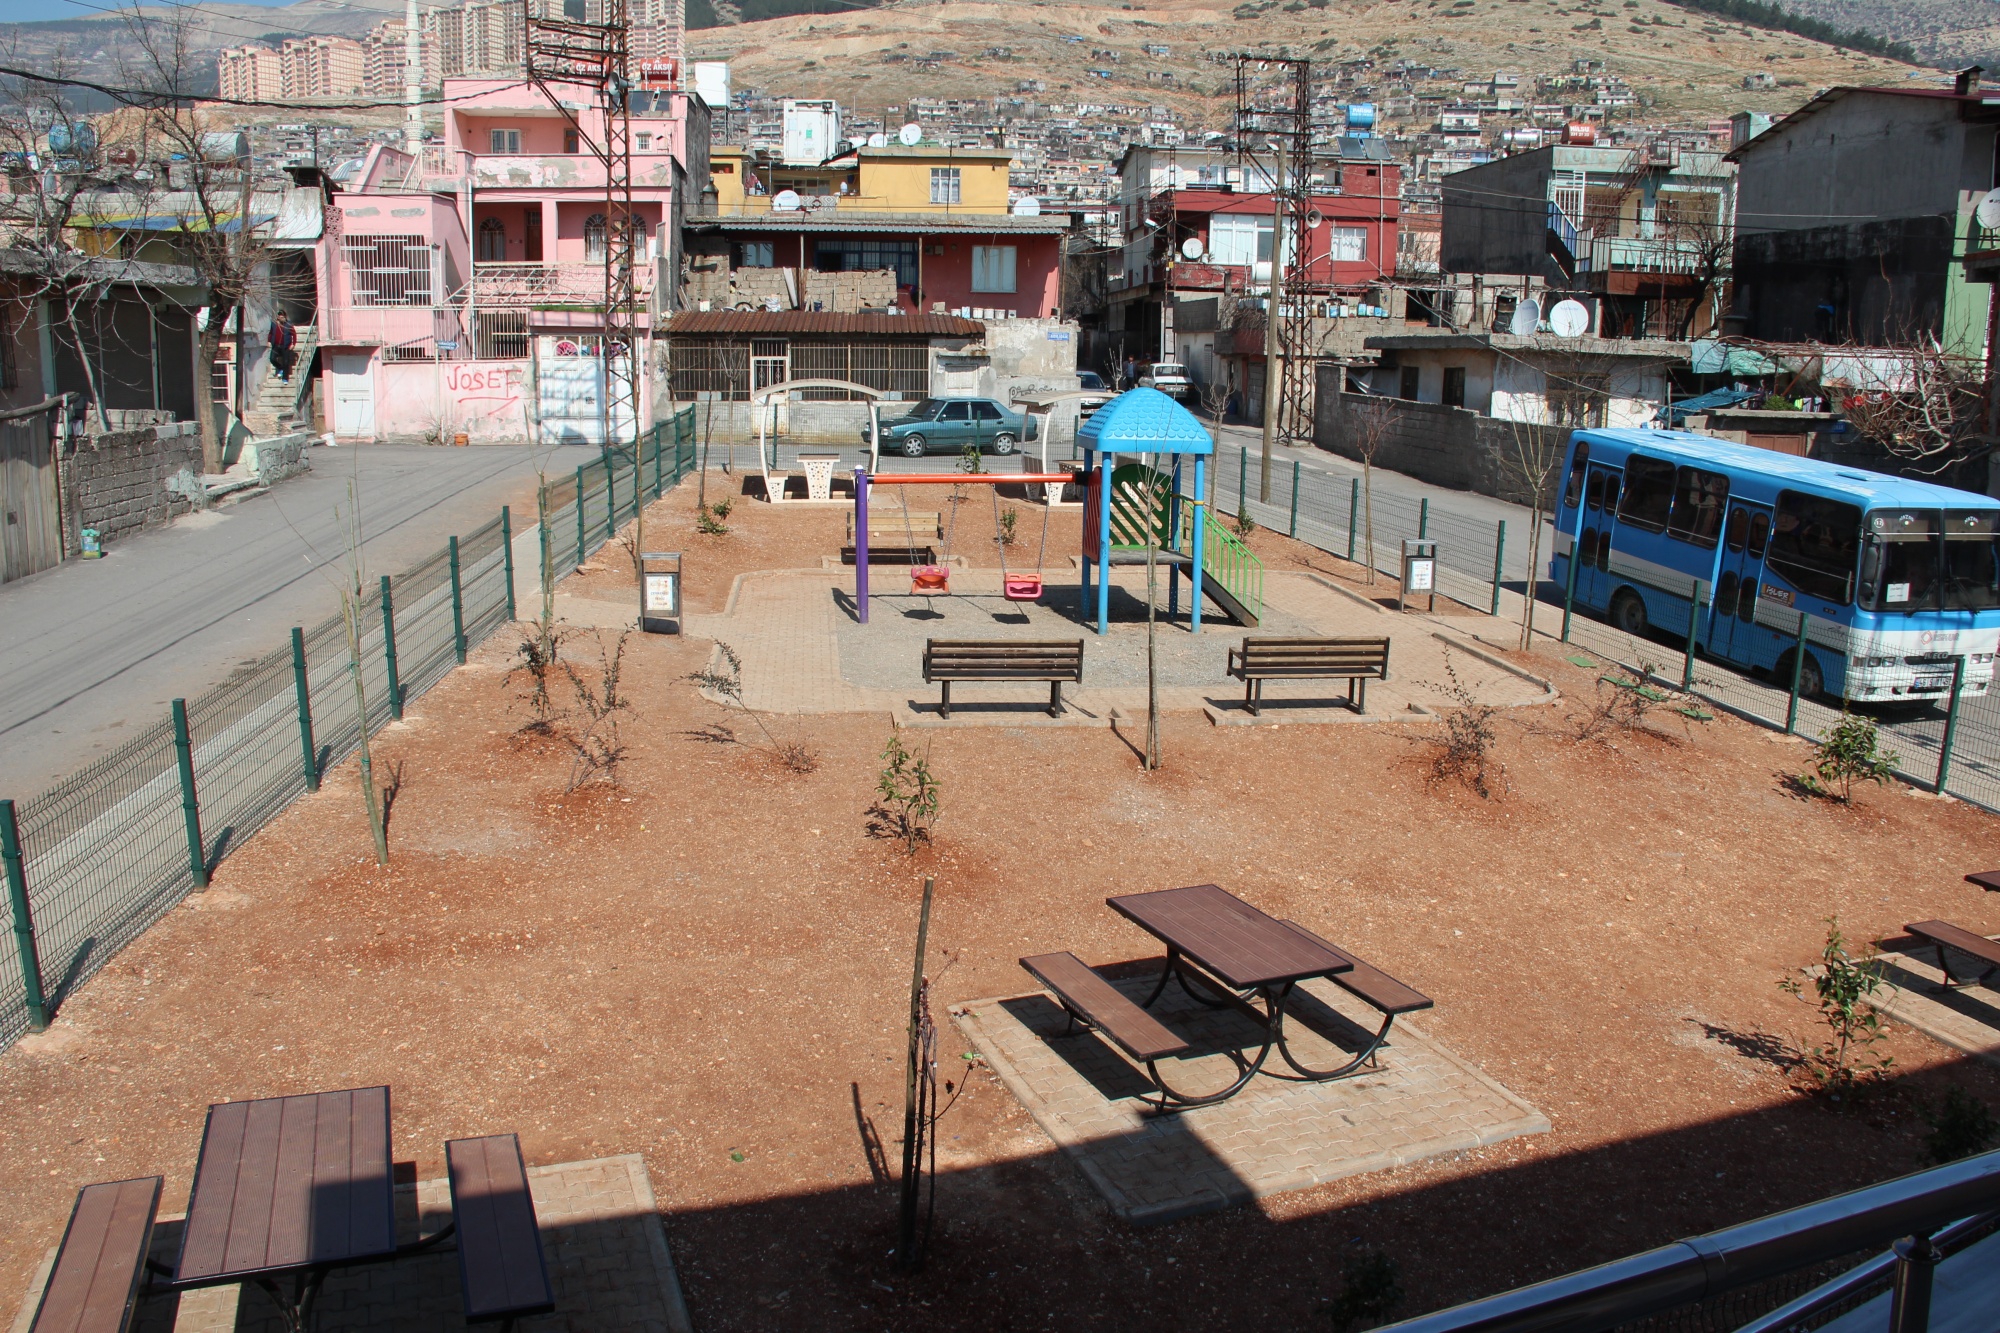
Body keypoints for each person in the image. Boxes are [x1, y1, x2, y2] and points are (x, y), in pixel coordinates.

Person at [269, 310, 297, 384]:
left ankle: (285, 378)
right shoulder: (274, 324)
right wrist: (269, 341)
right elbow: (271, 333)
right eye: (280, 317)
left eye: (283, 317)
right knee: (272, 359)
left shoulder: (289, 324)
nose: (282, 318)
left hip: (285, 346)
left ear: (285, 317)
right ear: (278, 317)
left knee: (286, 362)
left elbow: (294, 334)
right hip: (275, 345)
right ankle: (280, 368)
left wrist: (293, 344)